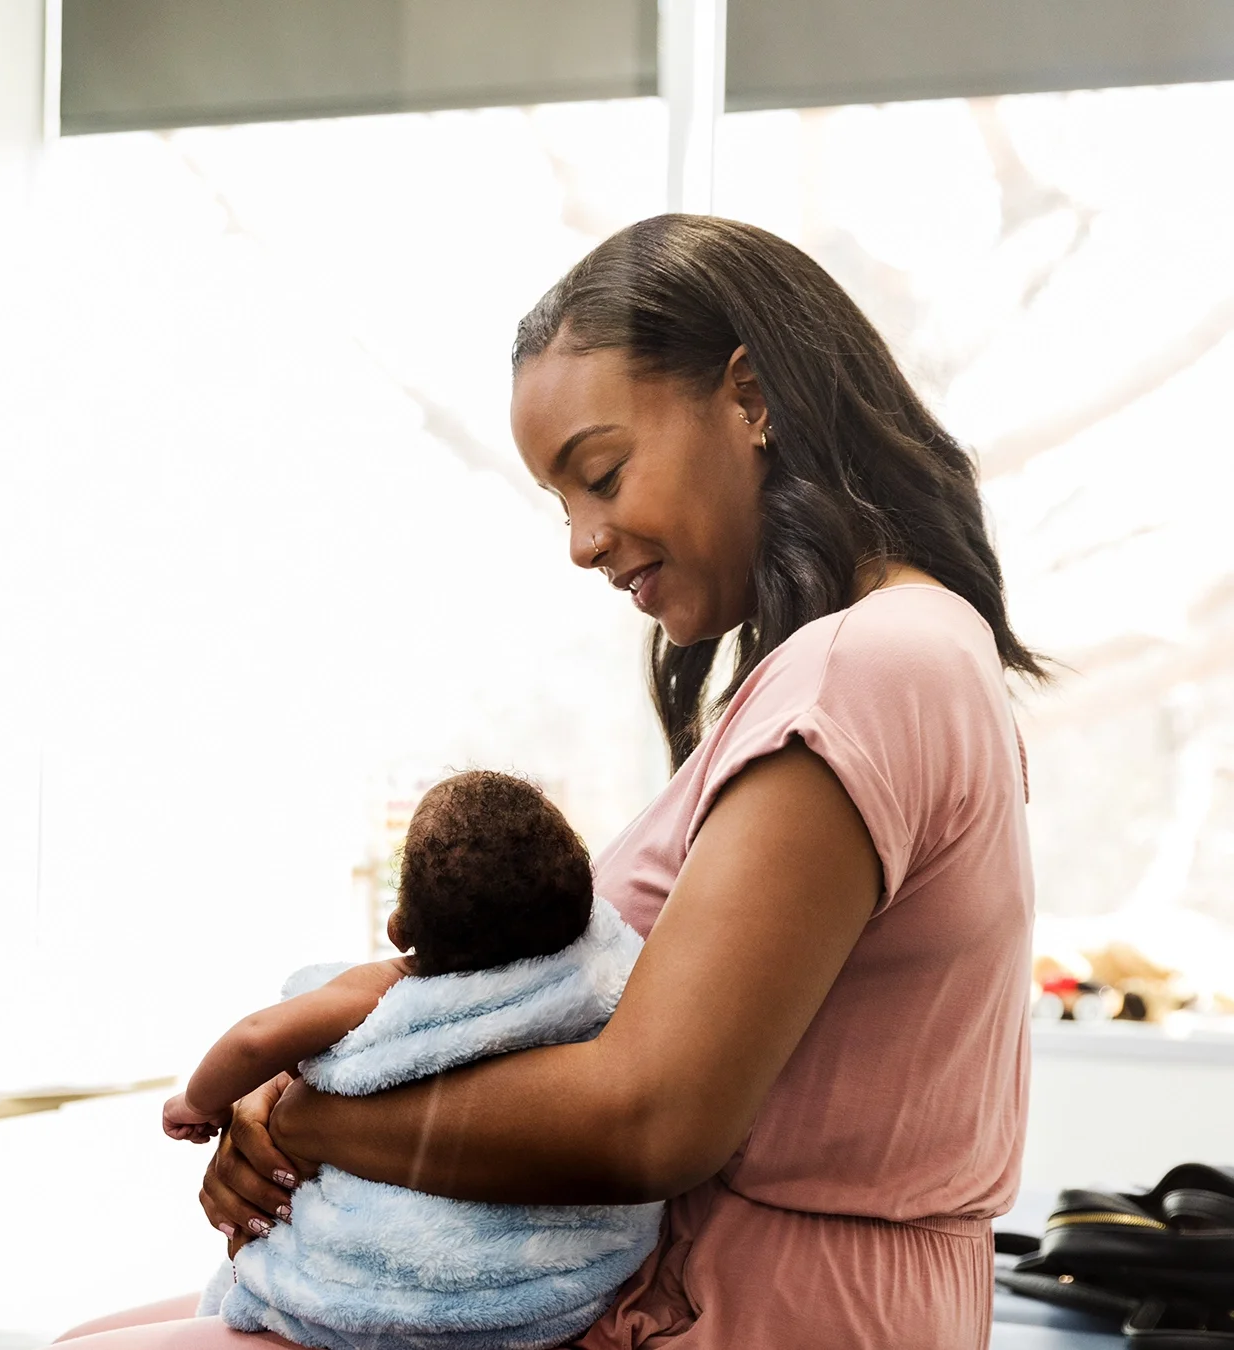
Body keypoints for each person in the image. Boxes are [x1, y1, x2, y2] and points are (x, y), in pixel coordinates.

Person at [58, 214, 1042, 1349]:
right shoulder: (890, 659)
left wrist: (316, 1118)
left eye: (603, 474)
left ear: (751, 396)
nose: (582, 541)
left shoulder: (863, 668)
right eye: (563, 502)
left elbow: (649, 1118)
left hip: (738, 1316)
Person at [162, 771, 655, 1350]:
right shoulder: (592, 982)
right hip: (536, 1292)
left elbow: (255, 1041)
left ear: (400, 929)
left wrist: (195, 1102)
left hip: (374, 1287)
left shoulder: (384, 989)